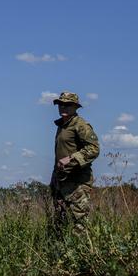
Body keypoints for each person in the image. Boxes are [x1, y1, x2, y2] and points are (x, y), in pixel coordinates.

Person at [49, 92, 100, 236]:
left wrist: (72, 158)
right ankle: (63, 253)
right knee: (61, 221)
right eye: (61, 104)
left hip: (77, 182)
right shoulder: (62, 125)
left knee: (80, 222)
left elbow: (94, 149)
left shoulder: (80, 125)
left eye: (68, 104)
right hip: (62, 181)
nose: (63, 107)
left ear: (75, 107)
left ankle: (83, 254)